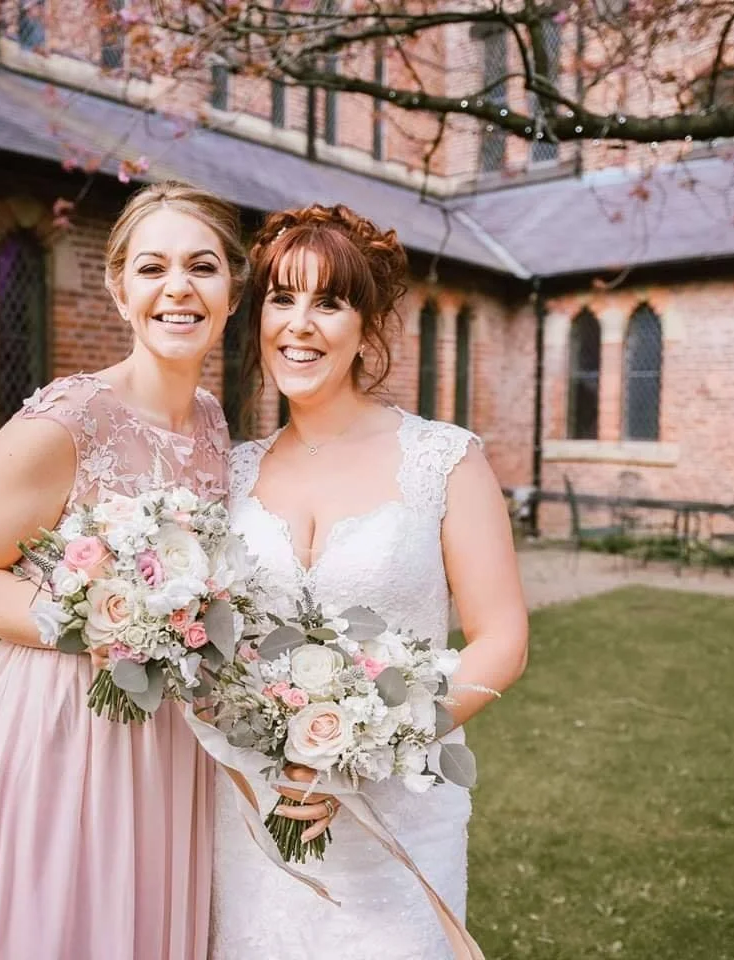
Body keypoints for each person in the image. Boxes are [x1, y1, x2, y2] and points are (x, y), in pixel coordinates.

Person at [0, 181, 248, 960]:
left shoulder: (210, 418)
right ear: (118, 289)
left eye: (202, 266)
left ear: (233, 290)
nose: (178, 288)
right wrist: (107, 617)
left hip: (166, 740)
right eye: (152, 268)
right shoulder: (65, 420)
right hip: (60, 731)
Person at [209, 204, 530, 958]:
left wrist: (360, 751)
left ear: (368, 323)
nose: (300, 324)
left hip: (396, 814)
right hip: (256, 809)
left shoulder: (443, 460)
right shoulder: (229, 471)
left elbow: (502, 639)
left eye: (329, 302)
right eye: (282, 298)